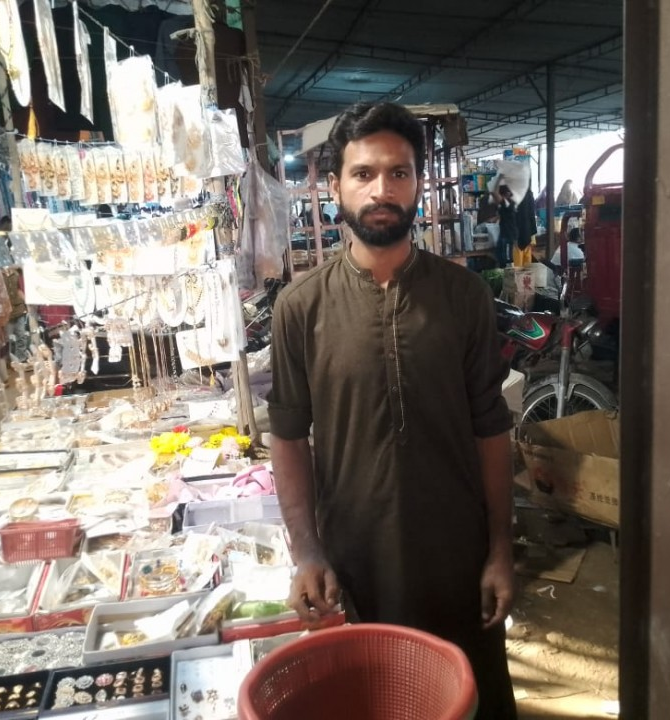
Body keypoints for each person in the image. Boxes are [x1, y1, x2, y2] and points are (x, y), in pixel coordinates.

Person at [268, 101, 517, 719]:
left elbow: (491, 427)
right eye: (363, 173)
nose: (382, 189)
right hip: (356, 563)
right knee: (372, 702)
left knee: (468, 703)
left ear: (419, 183)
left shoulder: (464, 296)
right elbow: (289, 437)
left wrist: (501, 549)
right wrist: (308, 552)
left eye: (399, 173)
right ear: (335, 186)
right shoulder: (301, 307)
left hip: (456, 562)